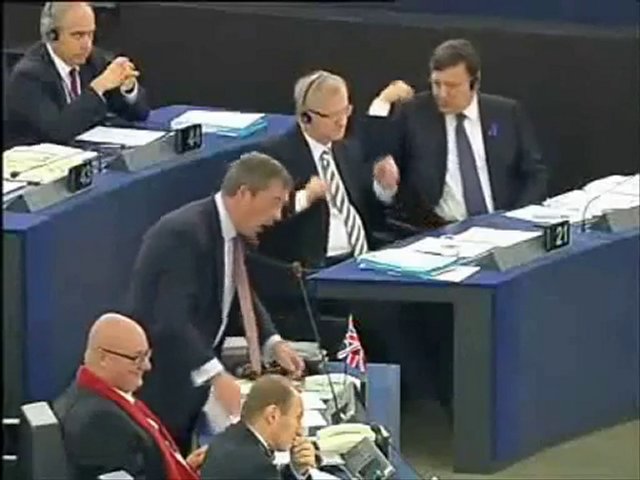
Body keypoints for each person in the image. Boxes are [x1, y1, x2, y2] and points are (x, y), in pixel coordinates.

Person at [126, 152, 306, 455]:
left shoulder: (230, 234)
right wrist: (216, 375)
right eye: (275, 202)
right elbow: (172, 320)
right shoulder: (183, 234)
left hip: (191, 386)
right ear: (245, 193)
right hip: (162, 384)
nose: (278, 216)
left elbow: (237, 292)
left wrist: (272, 341)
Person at [252, 70, 392, 353]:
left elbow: (369, 211)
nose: (342, 121)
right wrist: (304, 197)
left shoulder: (347, 149)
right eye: (333, 116)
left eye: (346, 111)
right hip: (316, 272)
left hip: (361, 262)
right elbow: (258, 217)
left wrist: (383, 187)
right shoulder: (276, 156)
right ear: (306, 117)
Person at [368, 38, 548, 228]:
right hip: (437, 230)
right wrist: (385, 184)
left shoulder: (506, 113)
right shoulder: (413, 114)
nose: (442, 94)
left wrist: (517, 220)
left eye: (452, 86)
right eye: (437, 84)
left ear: (474, 83)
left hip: (504, 225)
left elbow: (535, 174)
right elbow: (379, 168)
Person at [53, 313, 207, 480]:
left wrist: (181, 465)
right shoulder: (100, 422)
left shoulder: (94, 399)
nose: (147, 366)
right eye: (137, 358)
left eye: (147, 356)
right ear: (104, 358)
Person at [4, 2, 150, 148]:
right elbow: (57, 132)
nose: (87, 45)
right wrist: (97, 88)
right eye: (78, 35)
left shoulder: (94, 60)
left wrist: (128, 88)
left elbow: (139, 114)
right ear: (52, 36)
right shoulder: (28, 76)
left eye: (90, 34)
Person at [200, 375, 316, 480]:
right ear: (272, 415)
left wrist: (296, 470)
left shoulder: (231, 437)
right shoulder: (257, 469)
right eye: (297, 418)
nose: (300, 430)